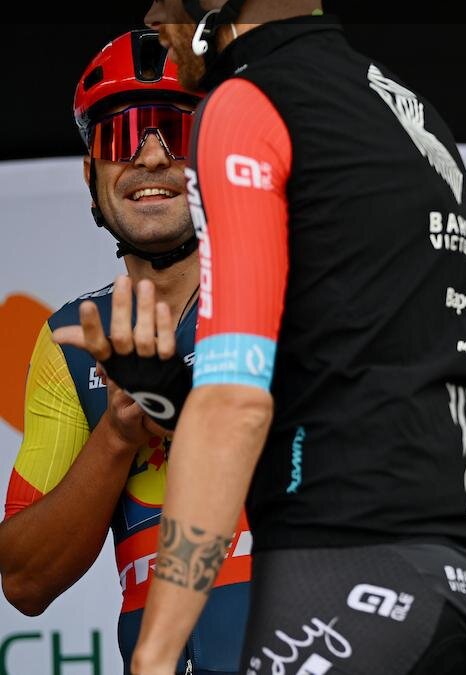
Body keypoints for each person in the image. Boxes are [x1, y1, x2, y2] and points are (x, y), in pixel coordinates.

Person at [57, 2, 466, 673]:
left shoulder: (248, 102)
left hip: (346, 575)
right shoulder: (411, 112)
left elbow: (236, 406)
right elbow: (354, 367)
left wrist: (155, 651)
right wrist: (171, 395)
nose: (155, 13)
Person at [0, 30, 250, 675]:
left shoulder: (298, 298)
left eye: (177, 130)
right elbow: (23, 581)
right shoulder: (71, 343)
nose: (151, 155)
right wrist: (118, 433)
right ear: (92, 178)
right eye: (122, 135)